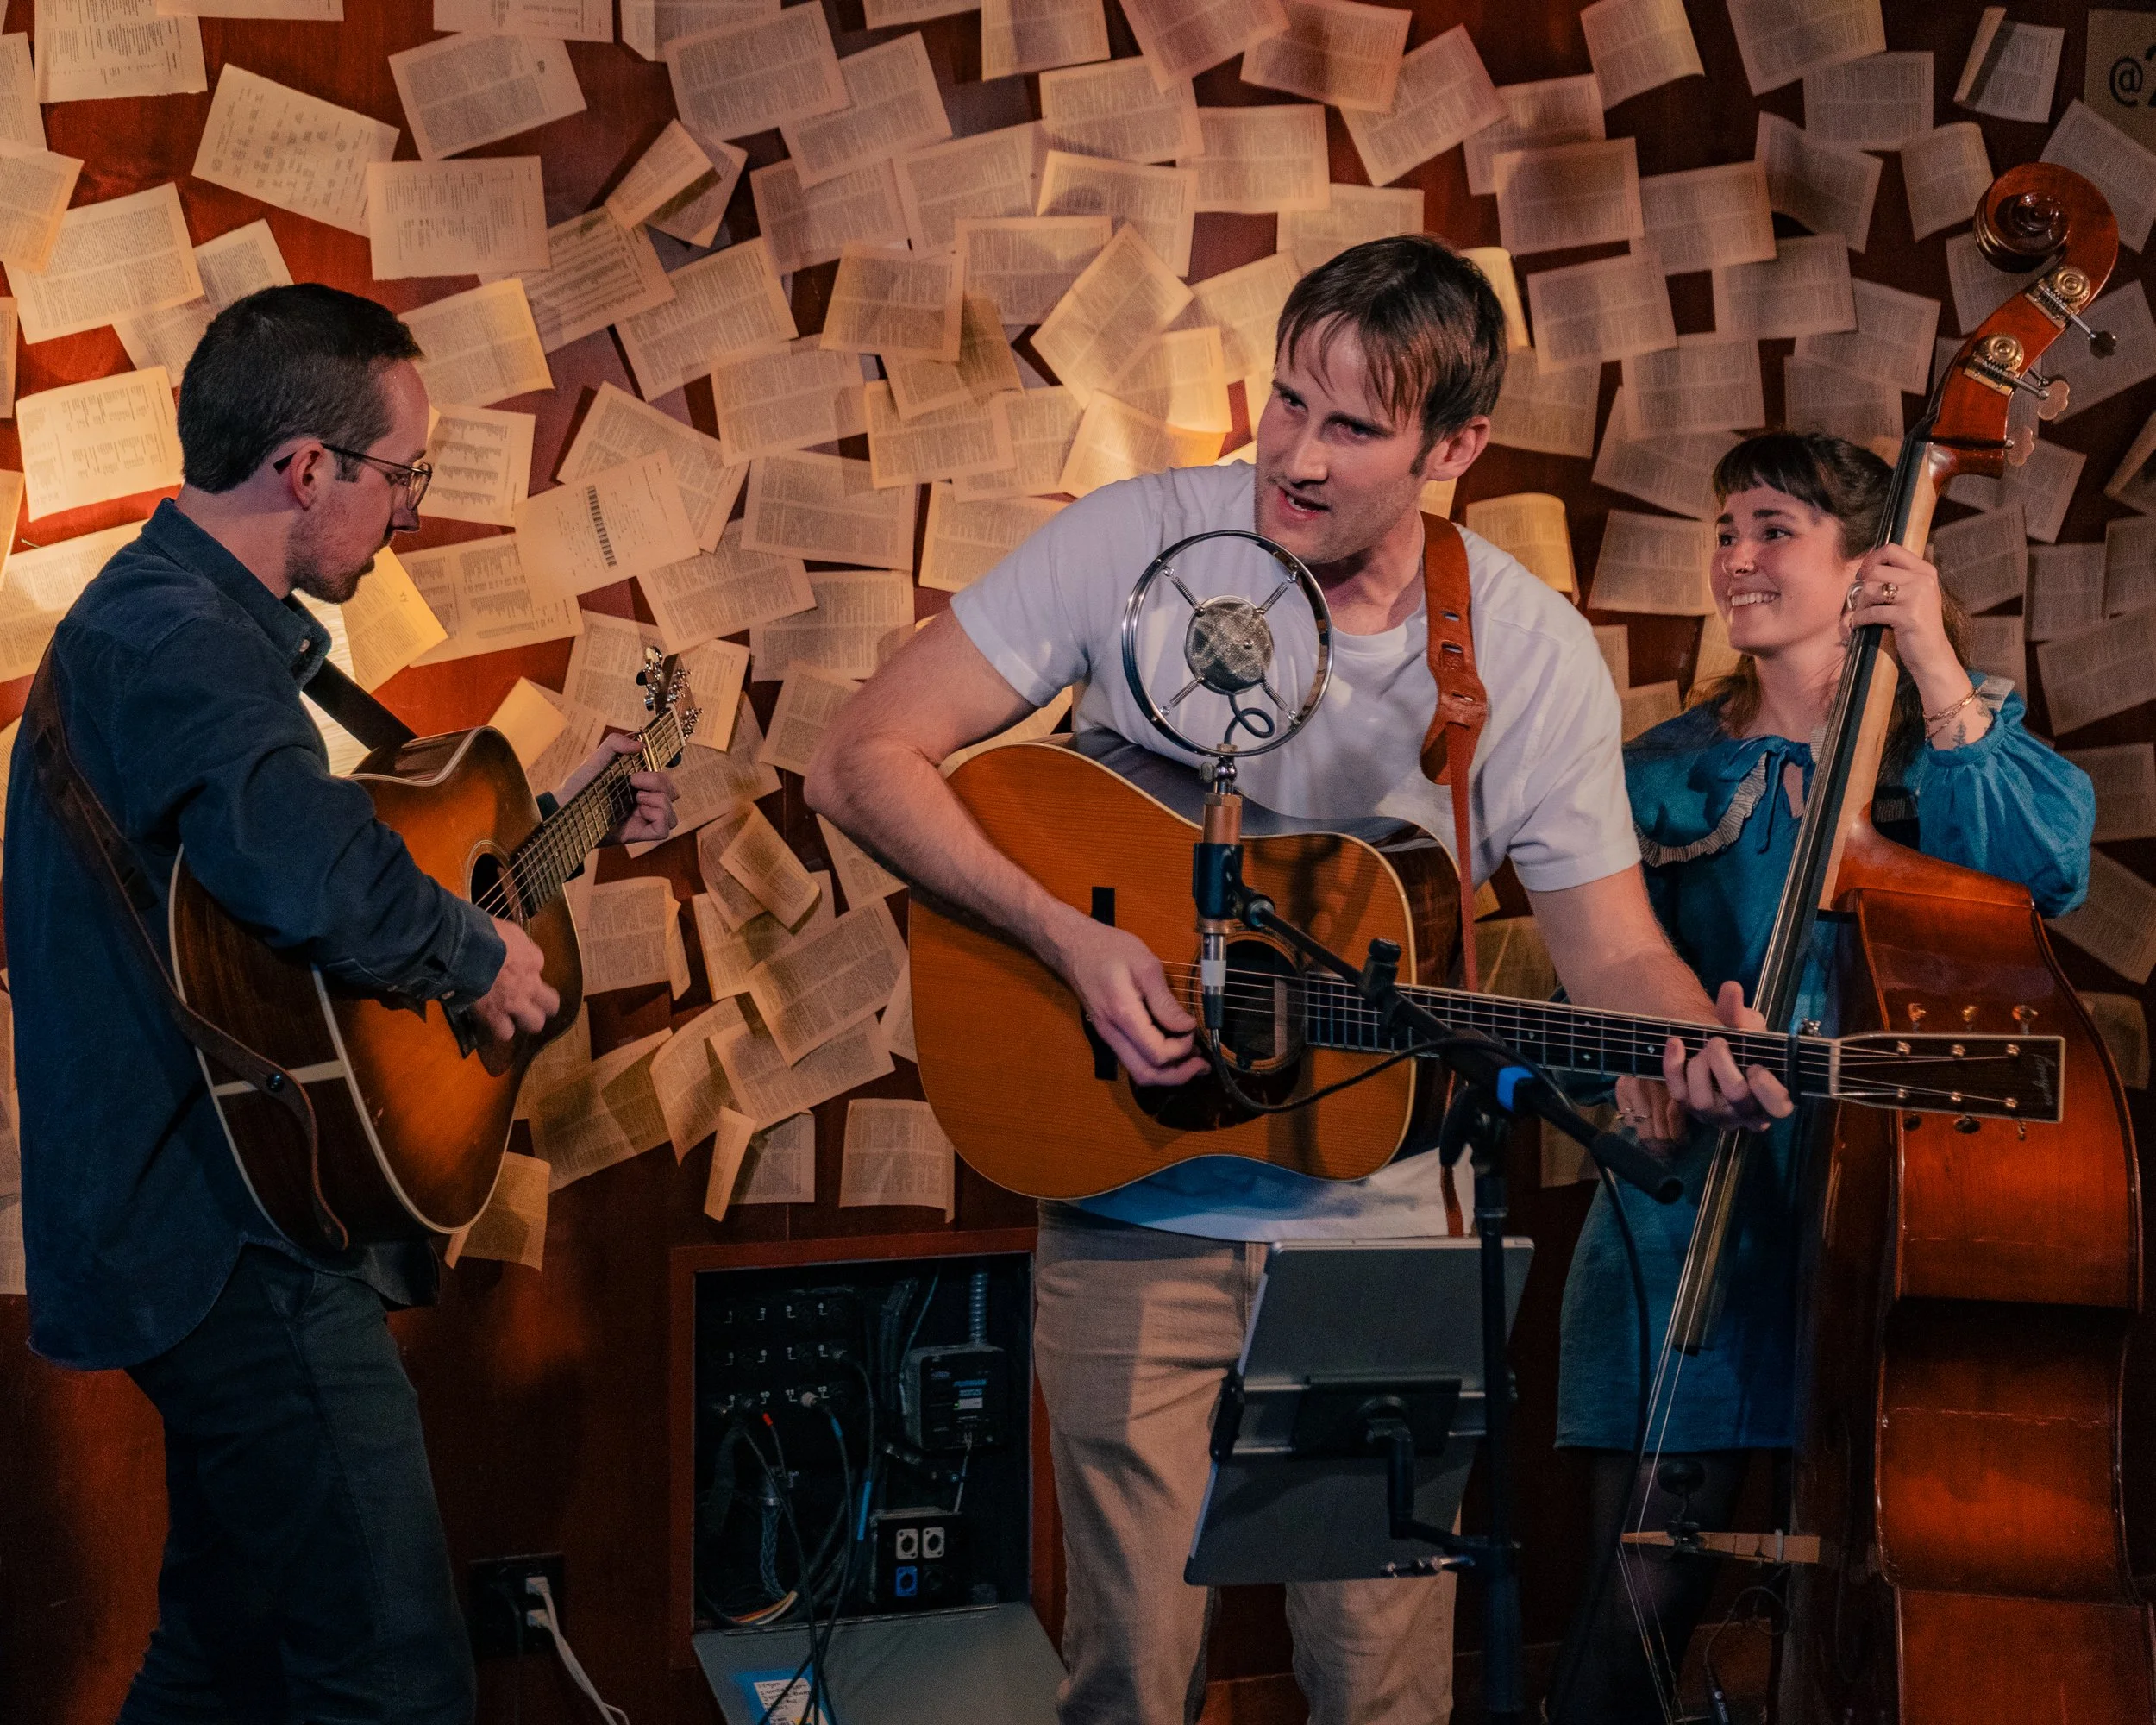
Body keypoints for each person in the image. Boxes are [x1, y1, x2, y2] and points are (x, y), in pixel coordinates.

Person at [805, 236, 1792, 1725]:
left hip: (1385, 1236)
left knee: (1381, 1692)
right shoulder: (1133, 542)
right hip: (1132, 1197)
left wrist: (1689, 1042)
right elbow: (858, 757)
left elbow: (1617, 952)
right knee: (1127, 1684)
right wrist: (1067, 935)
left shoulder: (1523, 654)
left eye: (1351, 428)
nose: (1294, 459)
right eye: (1283, 405)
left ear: (1454, 447)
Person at [5, 284, 679, 1725]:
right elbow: (306, 866)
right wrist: (477, 960)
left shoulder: (184, 626)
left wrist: (560, 816)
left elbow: (325, 868)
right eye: (400, 477)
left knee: (226, 1649)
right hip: (225, 1234)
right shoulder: (178, 640)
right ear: (307, 469)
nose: (407, 513)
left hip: (227, 1208)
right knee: (394, 1679)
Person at [1547, 430, 2095, 1722]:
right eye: (1726, 530)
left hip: (1898, 1217)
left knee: (1858, 1618)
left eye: (1774, 529)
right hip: (1693, 1216)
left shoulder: (1949, 752)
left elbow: (2041, 881)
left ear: (1870, 565)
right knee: (1633, 1610)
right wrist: (1637, 1077)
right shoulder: (1662, 772)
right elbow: (1593, 982)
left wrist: (1933, 657)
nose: (1736, 560)